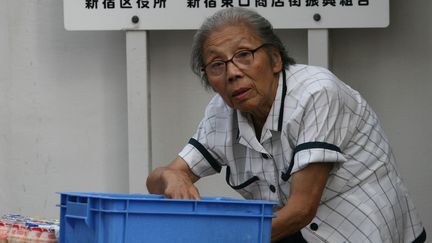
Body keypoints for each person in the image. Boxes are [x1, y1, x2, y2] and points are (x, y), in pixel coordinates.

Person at [146, 7, 426, 243]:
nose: (232, 72)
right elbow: (158, 180)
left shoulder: (317, 93)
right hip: (291, 231)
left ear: (276, 59)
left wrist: (230, 238)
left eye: (244, 55)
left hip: (361, 230)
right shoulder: (222, 111)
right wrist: (172, 176)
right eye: (217, 65)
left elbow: (302, 209)